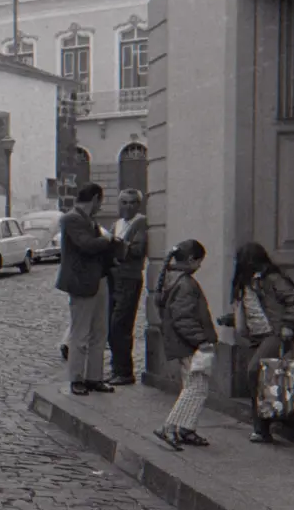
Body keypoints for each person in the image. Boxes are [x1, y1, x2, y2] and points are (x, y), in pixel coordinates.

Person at [216, 242, 294, 443]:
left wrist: (288, 324)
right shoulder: (246, 283)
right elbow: (253, 311)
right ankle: (262, 428)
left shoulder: (272, 279)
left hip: (274, 333)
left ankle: (265, 426)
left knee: (254, 371)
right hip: (257, 336)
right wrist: (231, 319)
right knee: (260, 379)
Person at [56, 183, 121, 396]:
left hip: (99, 280)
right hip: (82, 283)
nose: (100, 207)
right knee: (80, 334)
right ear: (94, 199)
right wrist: (107, 239)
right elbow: (87, 245)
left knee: (99, 333)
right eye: (99, 202)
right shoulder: (71, 219)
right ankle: (76, 379)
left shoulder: (89, 219)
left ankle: (95, 377)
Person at [155, 239, 217, 450]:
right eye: (199, 261)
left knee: (191, 385)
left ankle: (185, 427)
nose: (200, 266)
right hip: (190, 344)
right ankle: (170, 426)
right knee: (196, 387)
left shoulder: (172, 279)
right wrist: (201, 341)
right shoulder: (186, 284)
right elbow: (184, 318)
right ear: (191, 259)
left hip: (181, 343)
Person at [107, 189, 149, 385]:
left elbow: (138, 249)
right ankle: (117, 368)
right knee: (111, 325)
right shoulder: (116, 224)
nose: (128, 206)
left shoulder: (140, 223)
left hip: (130, 279)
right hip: (114, 279)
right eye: (124, 202)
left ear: (138, 205)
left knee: (120, 325)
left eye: (132, 203)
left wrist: (118, 249)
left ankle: (125, 372)